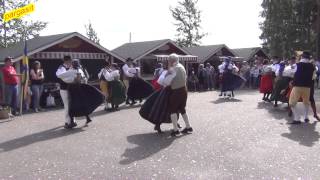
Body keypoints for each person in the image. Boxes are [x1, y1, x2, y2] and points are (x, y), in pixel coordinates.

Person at [66, 59, 104, 127]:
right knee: (82, 104)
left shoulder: (72, 71)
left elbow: (76, 80)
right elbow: (84, 79)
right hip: (80, 88)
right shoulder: (79, 70)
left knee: (72, 106)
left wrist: (74, 80)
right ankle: (87, 118)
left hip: (74, 89)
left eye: (74, 63)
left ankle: (72, 122)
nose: (73, 65)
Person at [165, 54, 193, 136]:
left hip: (176, 91)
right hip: (184, 89)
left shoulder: (173, 69)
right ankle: (188, 127)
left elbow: (166, 82)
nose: (168, 62)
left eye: (169, 60)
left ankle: (176, 130)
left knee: (172, 109)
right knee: (182, 109)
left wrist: (167, 73)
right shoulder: (181, 66)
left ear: (171, 61)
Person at [289, 51, 315, 124]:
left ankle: (297, 119)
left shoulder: (297, 65)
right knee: (306, 102)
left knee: (291, 103)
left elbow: (290, 72)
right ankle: (306, 117)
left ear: (302, 57)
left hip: (297, 86)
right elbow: (314, 76)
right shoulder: (312, 66)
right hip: (307, 87)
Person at [56, 56, 77, 129]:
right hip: (64, 89)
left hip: (72, 89)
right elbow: (59, 76)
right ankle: (68, 122)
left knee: (72, 105)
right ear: (66, 61)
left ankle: (73, 120)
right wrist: (70, 76)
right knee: (67, 105)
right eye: (70, 61)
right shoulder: (61, 68)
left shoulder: (71, 67)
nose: (71, 62)